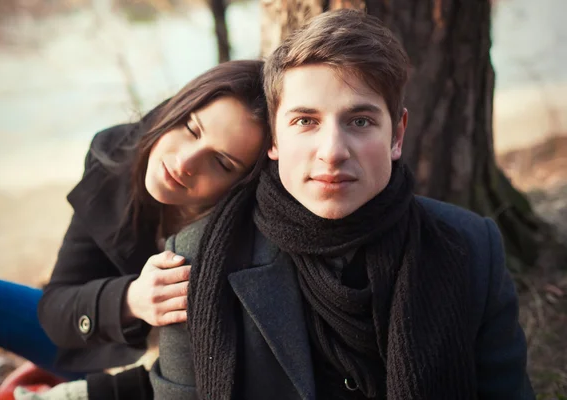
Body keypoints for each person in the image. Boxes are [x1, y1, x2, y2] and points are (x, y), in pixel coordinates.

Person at [148, 9, 535, 400]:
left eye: (360, 121)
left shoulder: (472, 247)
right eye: (305, 121)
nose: (332, 153)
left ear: (396, 135)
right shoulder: (195, 260)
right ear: (274, 140)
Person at [0, 59, 270, 399]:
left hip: (165, 378)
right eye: (190, 128)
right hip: (103, 341)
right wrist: (130, 300)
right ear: (178, 107)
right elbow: (56, 305)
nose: (184, 162)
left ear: (242, 184)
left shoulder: (253, 229)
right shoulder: (117, 155)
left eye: (221, 162)